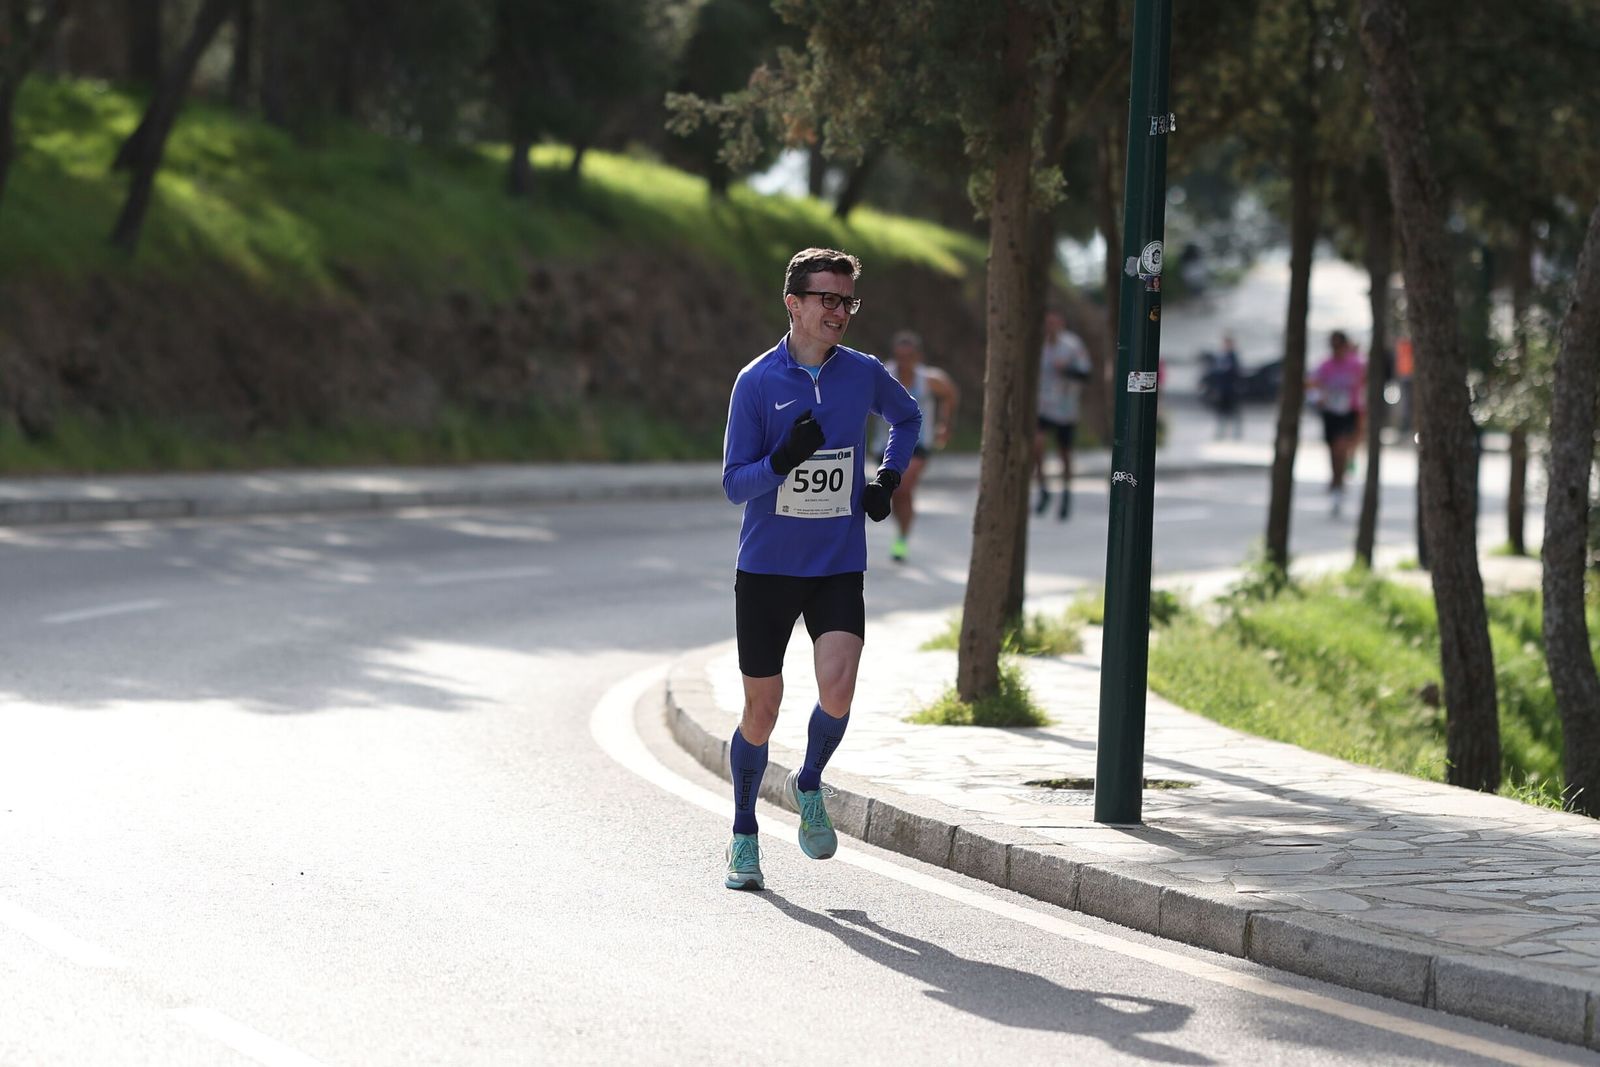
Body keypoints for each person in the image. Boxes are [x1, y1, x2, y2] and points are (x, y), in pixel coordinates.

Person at [719, 247, 922, 890]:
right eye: (827, 299)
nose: (840, 311)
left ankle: (808, 782)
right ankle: (744, 831)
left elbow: (908, 416)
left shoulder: (861, 373)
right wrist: (783, 460)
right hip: (769, 568)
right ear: (794, 304)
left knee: (838, 686)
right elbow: (733, 485)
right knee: (763, 708)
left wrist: (887, 478)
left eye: (847, 301)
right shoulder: (756, 382)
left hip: (837, 562)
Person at [870, 329, 960, 563]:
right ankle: (901, 530)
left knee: (903, 487)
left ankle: (901, 538)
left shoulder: (929, 379)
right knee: (892, 494)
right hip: (886, 444)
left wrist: (945, 424)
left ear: (917, 357)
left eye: (909, 357)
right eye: (900, 356)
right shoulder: (883, 375)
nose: (904, 362)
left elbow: (950, 393)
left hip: (918, 442)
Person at [1033, 308, 1093, 521]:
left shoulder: (1072, 346)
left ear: (1061, 323)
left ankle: (1066, 493)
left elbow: (1086, 373)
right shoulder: (1038, 346)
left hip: (1066, 408)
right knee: (1037, 445)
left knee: (1064, 454)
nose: (1050, 328)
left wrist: (1067, 370)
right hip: (1043, 406)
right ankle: (1043, 489)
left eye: (1054, 323)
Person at [1308, 330, 1366, 517]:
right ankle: (1336, 482)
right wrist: (1318, 397)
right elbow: (1312, 384)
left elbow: (1366, 381)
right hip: (1331, 413)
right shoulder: (1325, 365)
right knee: (1334, 451)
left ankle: (1339, 484)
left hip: (1349, 412)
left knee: (1342, 448)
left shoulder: (1356, 364)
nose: (1336, 350)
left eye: (1339, 345)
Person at [1209, 334, 1243, 440]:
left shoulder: (1233, 357)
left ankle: (1236, 433)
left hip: (1231, 390)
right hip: (1223, 390)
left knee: (1234, 412)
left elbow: (1236, 373)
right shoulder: (1221, 357)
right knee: (1221, 412)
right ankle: (1221, 432)